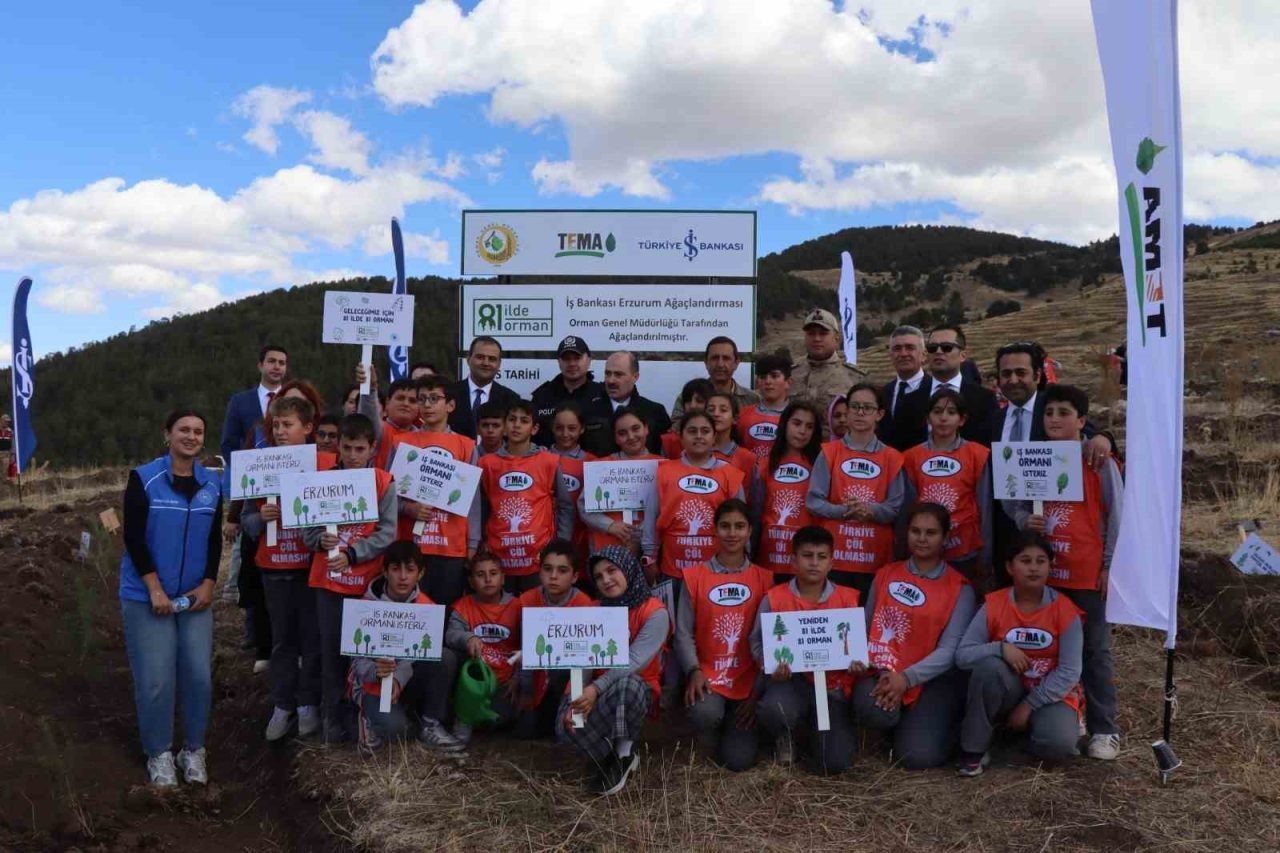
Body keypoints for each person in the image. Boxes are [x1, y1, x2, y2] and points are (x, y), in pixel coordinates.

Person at [1005, 384, 1122, 761]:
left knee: (1095, 651)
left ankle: (1106, 729)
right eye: (1049, 412)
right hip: (1047, 578)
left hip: (1086, 575)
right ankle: (1075, 714)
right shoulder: (1033, 457)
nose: (1054, 419)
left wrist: (1109, 566)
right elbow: (1015, 505)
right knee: (1054, 652)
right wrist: (1026, 518)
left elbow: (1117, 516)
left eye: (1064, 413)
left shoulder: (1099, 462)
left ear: (1082, 421)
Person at [120, 408, 223, 787]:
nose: (191, 436)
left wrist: (210, 582)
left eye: (198, 431)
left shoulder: (213, 484)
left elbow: (214, 538)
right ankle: (160, 753)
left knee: (198, 675)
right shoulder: (144, 479)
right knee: (156, 679)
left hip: (195, 596)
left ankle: (193, 749)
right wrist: (154, 588)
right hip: (146, 596)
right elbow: (133, 537)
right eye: (184, 429)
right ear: (168, 434)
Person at [855, 502, 975, 770]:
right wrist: (885, 671)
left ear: (945, 538)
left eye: (931, 533)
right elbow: (865, 625)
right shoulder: (885, 574)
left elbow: (950, 650)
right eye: (916, 531)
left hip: (930, 680)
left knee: (917, 757)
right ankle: (894, 723)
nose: (922, 539)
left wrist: (906, 679)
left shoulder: (960, 588)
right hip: (881, 672)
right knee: (875, 712)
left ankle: (942, 729)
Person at [302, 413, 398, 743]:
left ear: (372, 449)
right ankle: (332, 721)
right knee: (330, 653)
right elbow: (307, 530)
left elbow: (388, 532)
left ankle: (361, 719)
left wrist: (354, 553)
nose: (353, 455)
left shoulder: (383, 482)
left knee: (364, 654)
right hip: (328, 584)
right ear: (338, 447)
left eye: (360, 449)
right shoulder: (321, 481)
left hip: (366, 585)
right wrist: (319, 540)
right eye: (347, 448)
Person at [955, 532, 1084, 775]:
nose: (1033, 568)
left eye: (1041, 561)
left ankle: (1014, 743)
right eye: (1025, 561)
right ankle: (973, 750)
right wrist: (1000, 648)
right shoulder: (993, 604)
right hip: (1008, 689)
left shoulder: (1066, 611)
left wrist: (1028, 705)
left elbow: (1070, 671)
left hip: (1048, 694)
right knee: (988, 668)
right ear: (1009, 567)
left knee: (1059, 744)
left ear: (1051, 565)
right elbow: (962, 655)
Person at [556, 547, 669, 795]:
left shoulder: (655, 612)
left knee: (627, 685)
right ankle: (605, 752)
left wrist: (594, 689)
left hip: (637, 693)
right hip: (596, 694)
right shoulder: (594, 610)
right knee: (566, 730)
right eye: (598, 576)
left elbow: (634, 660)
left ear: (627, 569)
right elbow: (581, 659)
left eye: (611, 571)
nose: (606, 580)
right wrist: (573, 700)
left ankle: (624, 754)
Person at [752, 526, 863, 773]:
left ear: (831, 562)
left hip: (831, 687)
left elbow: (859, 646)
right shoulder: (774, 598)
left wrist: (857, 663)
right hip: (791, 682)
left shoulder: (849, 599)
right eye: (807, 555)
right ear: (793, 561)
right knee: (775, 709)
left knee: (832, 764)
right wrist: (769, 665)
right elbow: (757, 643)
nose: (814, 563)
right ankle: (785, 735)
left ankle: (823, 735)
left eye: (821, 557)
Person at [244, 396, 324, 742]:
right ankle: (282, 704)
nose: (279, 431)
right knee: (282, 642)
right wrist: (259, 519)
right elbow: (246, 519)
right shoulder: (258, 465)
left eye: (287, 425)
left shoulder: (322, 466)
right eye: (275, 425)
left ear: (307, 428)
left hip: (310, 570)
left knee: (311, 639)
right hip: (273, 570)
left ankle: (307, 704)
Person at [677, 500, 773, 771]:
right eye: (725, 526)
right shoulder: (694, 577)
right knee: (705, 713)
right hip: (708, 676)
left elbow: (768, 639)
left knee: (738, 761)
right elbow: (683, 632)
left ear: (750, 531)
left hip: (748, 680)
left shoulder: (765, 579)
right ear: (714, 530)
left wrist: (757, 693)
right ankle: (710, 729)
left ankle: (741, 731)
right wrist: (693, 670)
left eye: (739, 526)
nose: (732, 533)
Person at [348, 540, 462, 752]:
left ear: (420, 574)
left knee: (444, 656)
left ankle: (430, 724)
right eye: (395, 569)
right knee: (397, 732)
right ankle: (366, 718)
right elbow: (357, 662)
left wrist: (398, 680)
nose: (402, 577)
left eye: (409, 570)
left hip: (405, 680)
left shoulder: (427, 607)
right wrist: (376, 671)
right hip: (373, 684)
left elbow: (419, 655)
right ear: (384, 571)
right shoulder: (365, 606)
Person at [806, 383, 906, 597]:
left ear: (879, 414)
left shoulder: (893, 458)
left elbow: (896, 507)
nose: (860, 412)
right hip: (834, 558)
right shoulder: (829, 452)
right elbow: (814, 501)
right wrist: (846, 510)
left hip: (876, 557)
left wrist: (869, 511)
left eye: (868, 408)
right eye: (855, 407)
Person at [389, 376, 479, 606]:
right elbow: (387, 495)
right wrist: (406, 507)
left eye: (434, 399)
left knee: (445, 610)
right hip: (410, 545)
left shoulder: (466, 445)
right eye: (422, 399)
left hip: (451, 546)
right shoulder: (401, 443)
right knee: (411, 613)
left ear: (450, 405)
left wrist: (473, 544)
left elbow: (474, 499)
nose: (427, 405)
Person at [474, 400, 574, 591]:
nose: (517, 425)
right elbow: (481, 506)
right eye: (512, 420)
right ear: (504, 426)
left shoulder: (548, 461)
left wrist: (559, 545)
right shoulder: (486, 463)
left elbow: (565, 505)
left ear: (534, 428)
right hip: (498, 556)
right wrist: (480, 541)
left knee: (534, 613)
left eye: (524, 420)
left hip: (538, 557)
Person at [501, 540, 595, 737]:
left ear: (575, 576)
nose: (553, 576)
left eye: (562, 571)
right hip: (533, 676)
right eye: (548, 569)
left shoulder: (584, 604)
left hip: (568, 677)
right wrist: (522, 685)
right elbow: (523, 646)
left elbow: (583, 659)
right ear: (540, 571)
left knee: (561, 733)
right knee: (523, 732)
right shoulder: (526, 600)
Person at [902, 388, 992, 584]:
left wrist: (986, 552)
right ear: (928, 418)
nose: (943, 418)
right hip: (923, 548)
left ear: (962, 419)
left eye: (951, 412)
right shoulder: (911, 457)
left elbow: (984, 506)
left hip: (965, 549)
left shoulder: (977, 454)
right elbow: (908, 507)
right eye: (937, 412)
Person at [649, 411, 747, 583]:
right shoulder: (663, 472)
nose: (699, 436)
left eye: (705, 431)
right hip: (673, 570)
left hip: (718, 570)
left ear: (714, 436)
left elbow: (742, 523)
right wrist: (649, 556)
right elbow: (651, 517)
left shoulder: (730, 475)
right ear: (681, 436)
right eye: (692, 431)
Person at [445, 550, 519, 746]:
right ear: (471, 582)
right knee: (450, 657)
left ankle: (482, 720)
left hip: (504, 681)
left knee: (500, 719)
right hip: (473, 678)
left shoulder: (518, 606)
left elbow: (528, 646)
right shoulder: (462, 606)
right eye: (480, 575)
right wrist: (468, 638)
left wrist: (518, 677)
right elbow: (450, 635)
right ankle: (463, 721)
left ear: (503, 578)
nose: (487, 579)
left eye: (493, 574)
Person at [577, 407, 661, 558]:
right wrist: (610, 526)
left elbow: (669, 508)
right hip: (606, 549)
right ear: (615, 438)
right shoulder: (601, 466)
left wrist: (640, 532)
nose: (631, 436)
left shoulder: (663, 466)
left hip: (650, 551)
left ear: (646, 428)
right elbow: (584, 506)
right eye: (622, 433)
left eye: (636, 429)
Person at [752, 401, 822, 578]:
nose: (802, 431)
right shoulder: (764, 465)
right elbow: (756, 515)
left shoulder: (821, 465)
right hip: (768, 555)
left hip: (807, 559)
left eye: (809, 426)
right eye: (797, 423)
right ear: (784, 424)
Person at [790, 309, 865, 437]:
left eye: (823, 333)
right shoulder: (790, 375)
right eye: (811, 334)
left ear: (836, 338)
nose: (817, 339)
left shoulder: (855, 378)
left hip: (836, 452)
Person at [923, 326, 998, 445]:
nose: (938, 351)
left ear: (963, 355)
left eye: (946, 347)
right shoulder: (912, 397)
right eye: (932, 348)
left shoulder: (985, 399)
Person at [220, 344, 288, 476]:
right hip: (251, 483)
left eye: (282, 363)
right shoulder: (239, 402)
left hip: (289, 480)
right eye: (271, 361)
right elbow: (228, 444)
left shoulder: (293, 399)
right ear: (260, 366)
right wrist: (243, 472)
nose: (277, 367)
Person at [532, 336, 608, 451]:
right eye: (566, 359)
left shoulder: (604, 394)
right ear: (558, 362)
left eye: (577, 358)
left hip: (594, 466)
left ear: (589, 360)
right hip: (551, 466)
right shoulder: (542, 396)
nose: (572, 363)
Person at [595, 351, 671, 456]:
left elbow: (665, 454)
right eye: (608, 374)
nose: (611, 380)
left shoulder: (656, 412)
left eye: (618, 374)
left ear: (635, 377)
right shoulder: (589, 410)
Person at [670, 337, 759, 420]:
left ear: (736, 363)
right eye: (715, 358)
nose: (720, 364)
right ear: (706, 362)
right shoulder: (688, 398)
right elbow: (677, 428)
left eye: (726, 358)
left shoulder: (752, 399)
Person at [449, 336, 520, 439]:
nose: (486, 363)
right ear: (468, 359)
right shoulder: (449, 394)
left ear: (499, 364)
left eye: (492, 359)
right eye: (480, 357)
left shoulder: (511, 399)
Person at [547, 401, 592, 564]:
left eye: (572, 428)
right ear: (552, 428)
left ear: (582, 429)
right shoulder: (540, 458)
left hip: (581, 537)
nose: (565, 434)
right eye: (559, 428)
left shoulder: (592, 462)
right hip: (545, 536)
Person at [877, 326, 932, 452]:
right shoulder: (882, 394)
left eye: (910, 348)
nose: (903, 354)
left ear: (923, 355)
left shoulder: (937, 391)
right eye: (897, 349)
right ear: (890, 355)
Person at [738, 353, 793, 459]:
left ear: (788, 382)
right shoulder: (743, 414)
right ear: (757, 382)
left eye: (774, 376)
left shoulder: (796, 417)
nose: (768, 381)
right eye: (763, 377)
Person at [707, 390, 756, 478]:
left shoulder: (746, 458)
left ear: (735, 419)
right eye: (711, 410)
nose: (716, 414)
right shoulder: (695, 452)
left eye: (723, 410)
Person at [661, 379, 714, 460]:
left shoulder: (723, 439)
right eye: (688, 401)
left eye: (699, 401)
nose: (692, 405)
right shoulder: (669, 441)